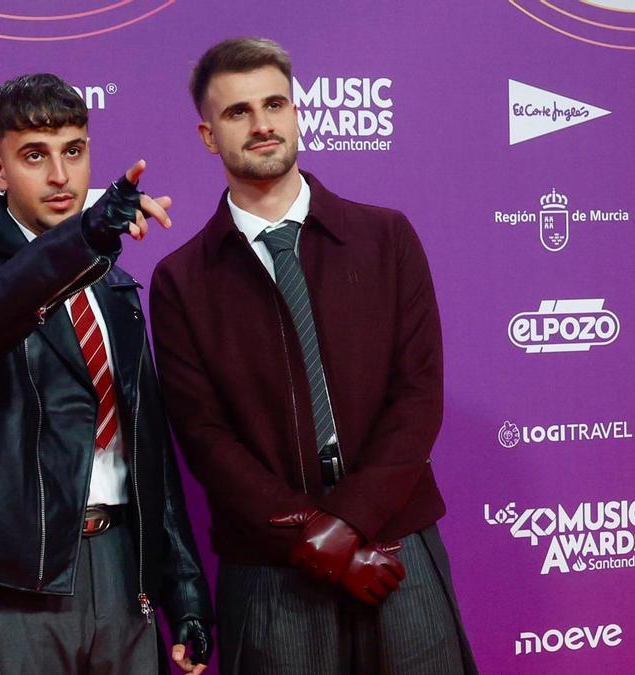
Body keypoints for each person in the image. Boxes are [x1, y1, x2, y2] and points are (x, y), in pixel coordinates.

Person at [149, 39, 477, 674]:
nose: (262, 123)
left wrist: (346, 527)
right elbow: (205, 438)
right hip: (271, 568)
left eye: (275, 103)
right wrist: (311, 538)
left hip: (395, 544)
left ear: (298, 113)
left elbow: (418, 398)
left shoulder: (386, 238)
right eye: (238, 112)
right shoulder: (181, 279)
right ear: (208, 136)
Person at [0, 72, 212, 675]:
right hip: (5, 576)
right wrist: (83, 241)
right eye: (34, 156)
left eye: (73, 151)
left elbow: (146, 447)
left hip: (123, 572)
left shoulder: (116, 282)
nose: (60, 176)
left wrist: (185, 591)